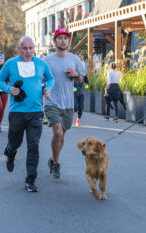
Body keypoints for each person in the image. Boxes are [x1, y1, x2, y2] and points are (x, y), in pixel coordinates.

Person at [0, 36, 55, 192]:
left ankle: (30, 180)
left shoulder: (41, 63)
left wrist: (48, 88)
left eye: (31, 48)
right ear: (19, 48)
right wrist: (9, 89)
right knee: (15, 142)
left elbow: (51, 78)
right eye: (25, 48)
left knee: (33, 146)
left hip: (36, 112)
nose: (28, 51)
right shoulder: (10, 64)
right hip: (17, 112)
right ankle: (10, 152)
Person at [44, 28, 85, 179]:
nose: (63, 40)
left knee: (62, 136)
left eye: (65, 38)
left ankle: (52, 159)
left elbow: (81, 79)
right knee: (58, 132)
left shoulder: (75, 59)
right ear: (54, 42)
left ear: (68, 41)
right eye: (59, 38)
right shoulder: (46, 61)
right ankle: (56, 163)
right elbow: (39, 79)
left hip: (68, 103)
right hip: (51, 101)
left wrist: (76, 75)